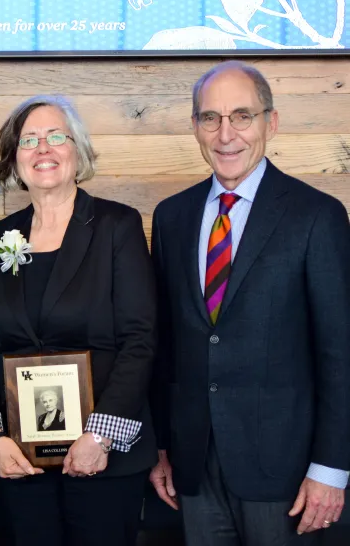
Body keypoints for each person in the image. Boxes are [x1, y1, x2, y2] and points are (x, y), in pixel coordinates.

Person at [149, 60, 350, 546]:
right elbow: (167, 343)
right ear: (195, 126)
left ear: (270, 122)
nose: (226, 134)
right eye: (209, 118)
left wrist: (332, 468)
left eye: (242, 116)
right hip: (193, 466)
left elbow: (340, 352)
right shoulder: (172, 216)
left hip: (288, 471)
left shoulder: (317, 216)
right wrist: (161, 447)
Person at [0, 95, 157, 546]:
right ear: (14, 160)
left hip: (104, 457)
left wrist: (100, 436)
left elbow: (140, 340)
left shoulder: (117, 225)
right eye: (28, 140)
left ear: (78, 149)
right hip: (19, 460)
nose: (42, 149)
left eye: (55, 137)